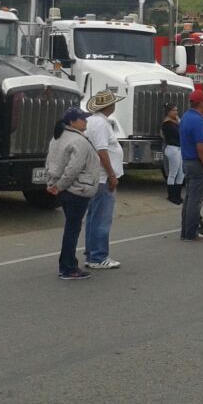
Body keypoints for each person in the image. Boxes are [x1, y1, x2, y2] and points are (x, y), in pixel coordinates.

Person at [45, 107, 102, 280]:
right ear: (72, 122)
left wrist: (54, 184)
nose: (85, 121)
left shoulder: (58, 137)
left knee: (71, 227)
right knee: (72, 228)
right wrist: (60, 185)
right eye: (82, 119)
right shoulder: (79, 141)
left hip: (64, 188)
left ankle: (68, 264)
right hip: (77, 189)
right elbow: (73, 168)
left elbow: (50, 162)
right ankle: (68, 267)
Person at [84, 90, 124, 270]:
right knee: (101, 218)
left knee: (94, 217)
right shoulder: (100, 123)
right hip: (102, 177)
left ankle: (92, 253)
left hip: (97, 176)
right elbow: (102, 151)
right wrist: (112, 175)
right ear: (108, 106)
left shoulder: (93, 121)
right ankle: (98, 256)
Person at [178, 91, 203, 242]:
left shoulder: (186, 117)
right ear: (201, 103)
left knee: (189, 198)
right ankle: (191, 232)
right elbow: (201, 146)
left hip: (188, 162)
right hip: (197, 163)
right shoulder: (198, 121)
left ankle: (186, 231)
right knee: (195, 200)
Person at [160, 103, 183, 206]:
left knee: (181, 173)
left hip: (179, 148)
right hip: (173, 148)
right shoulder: (167, 123)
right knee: (173, 173)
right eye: (174, 110)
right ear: (169, 112)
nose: (176, 112)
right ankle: (171, 195)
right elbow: (178, 134)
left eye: (177, 110)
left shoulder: (176, 122)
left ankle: (178, 195)